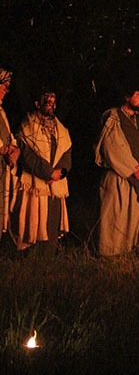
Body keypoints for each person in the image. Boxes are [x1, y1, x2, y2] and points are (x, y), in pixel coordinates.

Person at [95, 86, 139, 256]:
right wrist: (133, 170)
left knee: (133, 217)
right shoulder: (113, 118)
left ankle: (127, 253)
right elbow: (113, 148)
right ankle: (109, 256)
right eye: (138, 94)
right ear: (127, 96)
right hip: (119, 175)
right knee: (115, 217)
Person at [14, 90, 71, 254]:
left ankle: (48, 257)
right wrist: (48, 172)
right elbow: (27, 155)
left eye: (53, 101)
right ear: (37, 103)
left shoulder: (61, 130)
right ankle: (31, 259)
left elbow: (66, 152)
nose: (51, 104)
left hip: (55, 185)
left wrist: (60, 172)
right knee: (34, 221)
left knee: (51, 222)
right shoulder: (27, 127)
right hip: (35, 184)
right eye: (47, 101)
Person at [0, 68, 20, 238]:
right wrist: (4, 149)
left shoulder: (1, 112)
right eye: (4, 85)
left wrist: (15, 150)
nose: (6, 90)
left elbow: (10, 138)